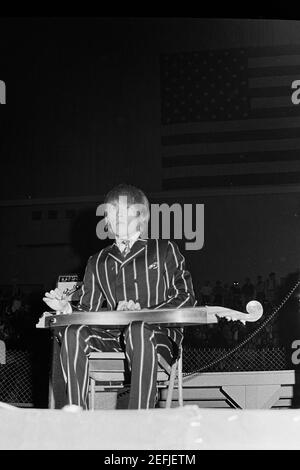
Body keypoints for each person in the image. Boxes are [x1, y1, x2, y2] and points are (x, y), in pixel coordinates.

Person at [43, 184, 196, 410]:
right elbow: (88, 311)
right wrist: (66, 309)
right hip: (112, 339)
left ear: (141, 216)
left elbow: (186, 298)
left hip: (158, 337)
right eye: (109, 213)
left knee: (137, 328)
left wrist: (142, 313)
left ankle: (139, 418)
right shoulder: (98, 260)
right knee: (73, 332)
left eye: (121, 212)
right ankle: (76, 418)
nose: (113, 218)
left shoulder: (164, 249)